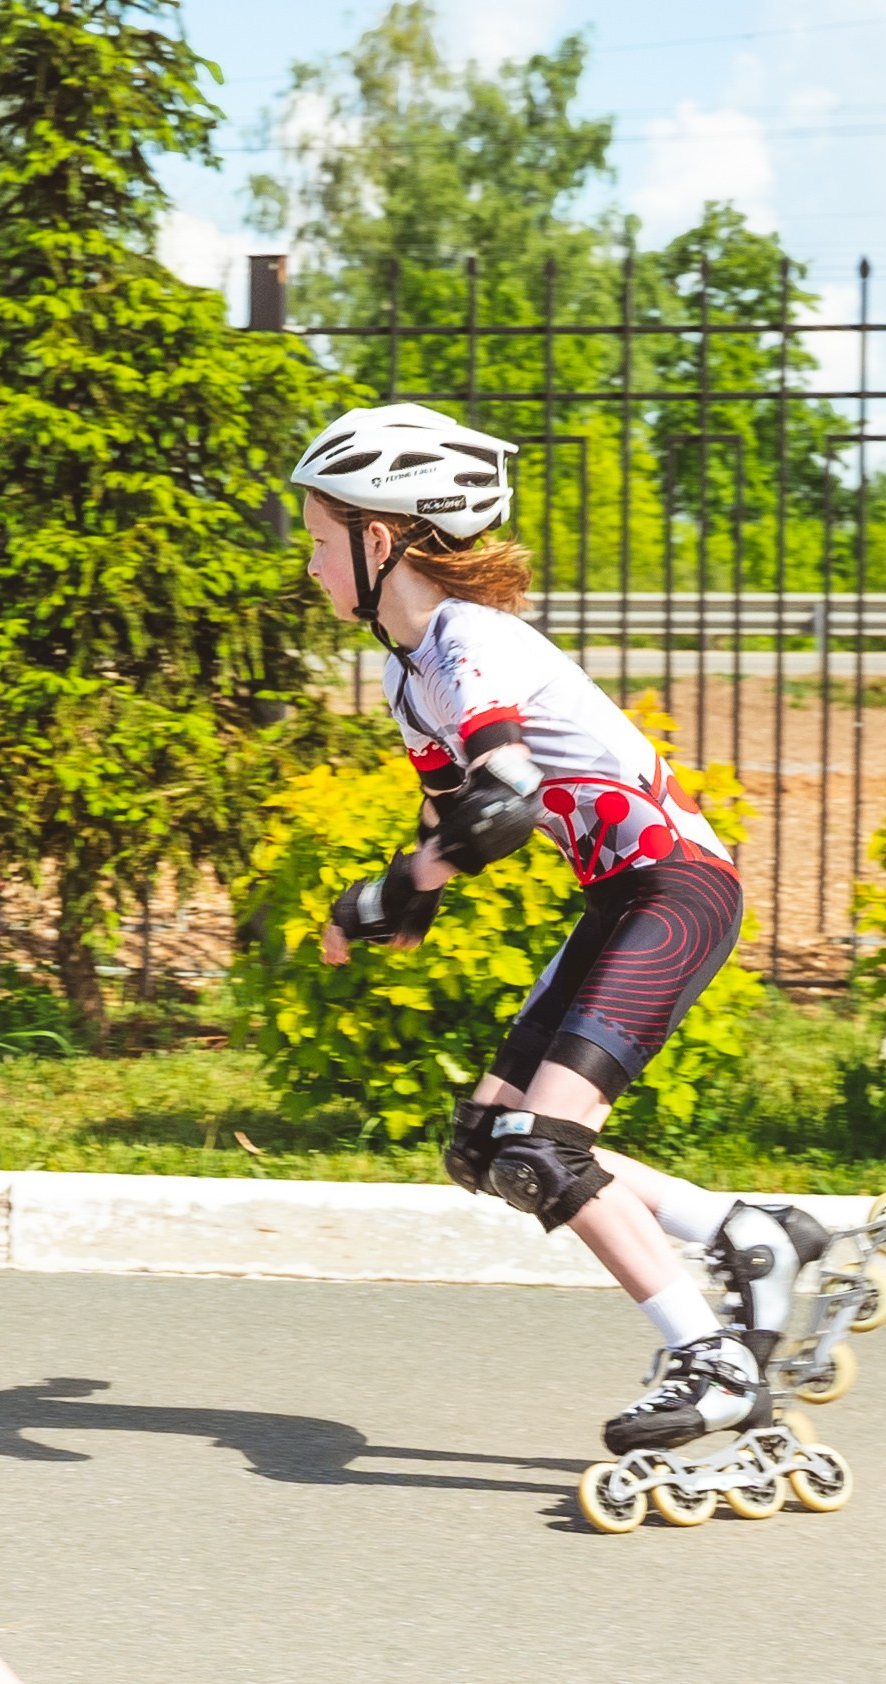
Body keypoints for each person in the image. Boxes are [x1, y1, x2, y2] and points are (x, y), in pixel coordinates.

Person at [293, 403, 828, 1454]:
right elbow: (453, 813)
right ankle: (742, 1233)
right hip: (623, 897)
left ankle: (707, 1355)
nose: (307, 565)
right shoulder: (412, 672)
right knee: (487, 1145)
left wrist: (386, 892)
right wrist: (409, 899)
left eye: (318, 539)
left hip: (675, 889)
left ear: (381, 538)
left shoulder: (468, 637)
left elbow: (506, 806)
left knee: (542, 1145)